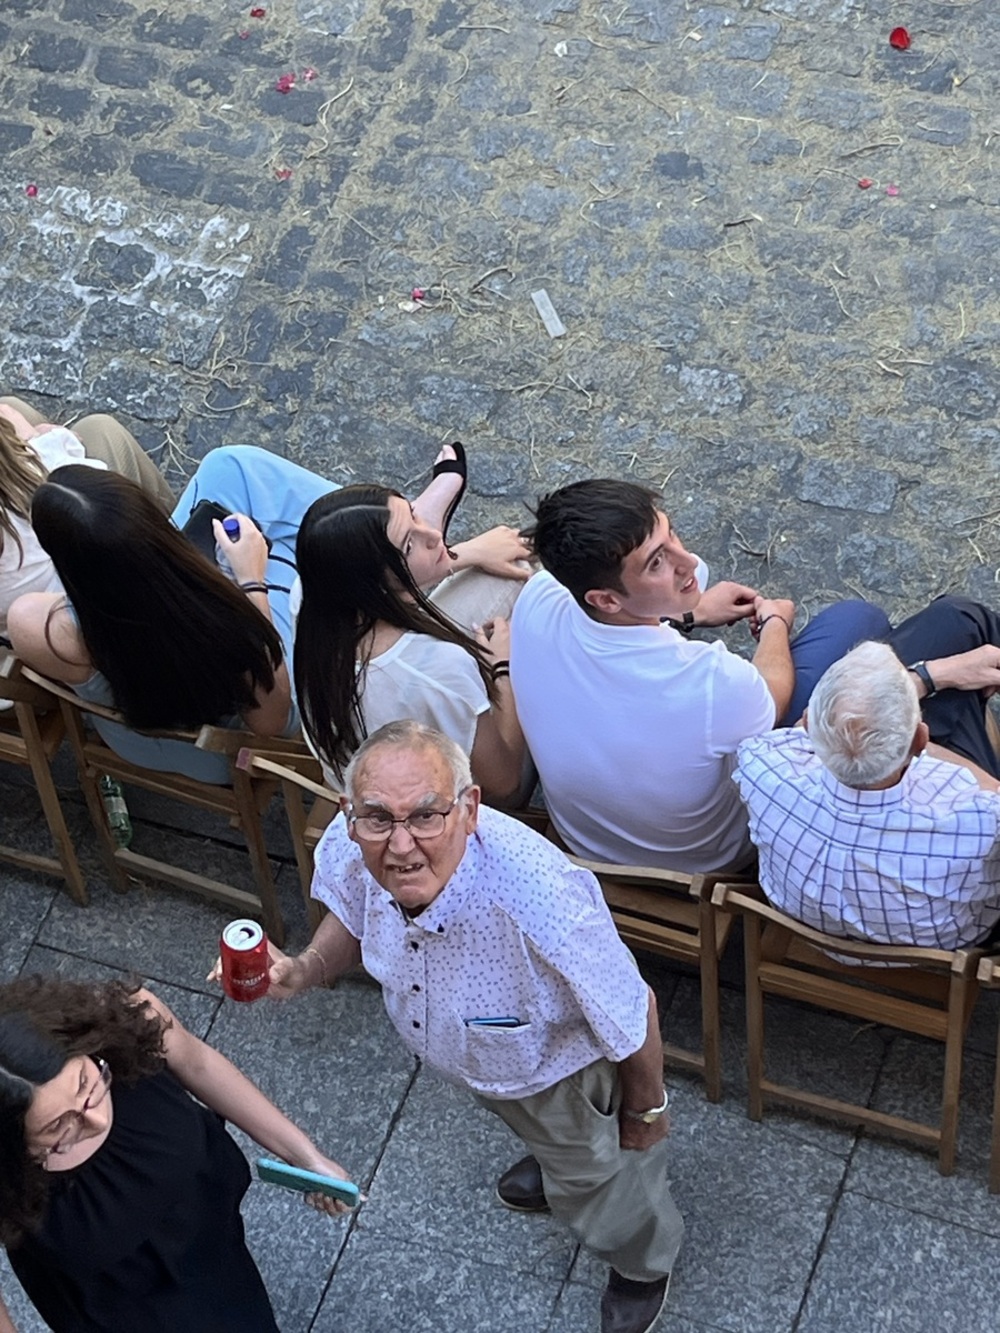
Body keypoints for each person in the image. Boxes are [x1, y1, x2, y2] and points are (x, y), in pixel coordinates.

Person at [243, 721, 685, 1333]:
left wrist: (645, 1115)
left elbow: (634, 1010)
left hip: (559, 1080)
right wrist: (304, 969)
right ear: (350, 813)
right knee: (557, 1151)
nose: (400, 846)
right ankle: (560, 1167)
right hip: (485, 1063)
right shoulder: (356, 843)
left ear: (469, 809)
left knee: (606, 1181)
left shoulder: (540, 902)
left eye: (426, 816)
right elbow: (351, 909)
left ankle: (640, 1260)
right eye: (378, 820)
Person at [7, 443, 525, 784]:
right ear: (154, 531)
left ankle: (400, 534)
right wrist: (252, 581)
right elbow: (270, 721)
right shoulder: (227, 625)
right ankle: (405, 543)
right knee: (311, 576)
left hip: (142, 736)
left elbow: (125, 631)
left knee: (226, 467)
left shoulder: (38, 626)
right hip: (231, 733)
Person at [510, 478, 890, 874]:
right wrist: (776, 621)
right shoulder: (709, 680)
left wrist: (690, 612)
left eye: (670, 533)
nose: (687, 561)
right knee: (857, 620)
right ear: (606, 599)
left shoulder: (540, 594)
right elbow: (772, 695)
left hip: (586, 841)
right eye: (656, 562)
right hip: (709, 859)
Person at [0, 974, 351, 1333]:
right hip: (119, 1313)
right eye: (59, 1126)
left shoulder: (123, 1018)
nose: (96, 1118)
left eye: (87, 1083)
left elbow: (197, 1063)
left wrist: (307, 1157)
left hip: (214, 1249)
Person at [734, 598, 1000, 949]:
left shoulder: (761, 765)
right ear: (921, 740)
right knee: (959, 629)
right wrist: (927, 680)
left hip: (806, 926)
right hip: (940, 947)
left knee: (953, 632)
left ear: (811, 725)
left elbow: (796, 734)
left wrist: (925, 685)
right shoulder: (979, 819)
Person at [293, 484, 531, 803]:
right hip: (454, 804)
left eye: (415, 514)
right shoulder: (440, 667)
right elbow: (504, 782)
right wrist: (502, 667)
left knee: (511, 564)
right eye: (409, 545)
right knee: (529, 595)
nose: (434, 535)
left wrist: (467, 553)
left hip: (364, 771)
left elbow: (394, 589)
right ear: (374, 585)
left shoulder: (308, 601)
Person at [0, 395, 174, 632]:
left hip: (27, 589)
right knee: (101, 429)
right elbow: (76, 478)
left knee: (13, 407)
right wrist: (39, 439)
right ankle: (173, 533)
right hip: (80, 590)